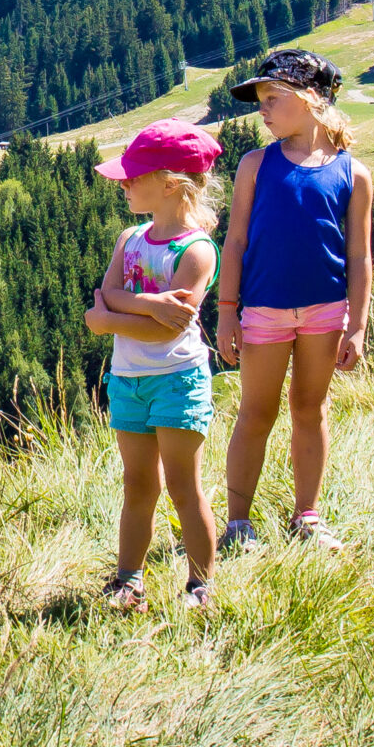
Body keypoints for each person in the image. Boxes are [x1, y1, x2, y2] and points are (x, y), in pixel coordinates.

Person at [214, 48, 373, 553]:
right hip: (263, 310)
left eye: (272, 98)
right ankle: (239, 523)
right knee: (255, 413)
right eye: (259, 100)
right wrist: (225, 313)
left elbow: (360, 257)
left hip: (326, 312)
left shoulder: (354, 173)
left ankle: (307, 517)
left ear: (310, 99)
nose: (261, 109)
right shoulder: (255, 165)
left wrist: (357, 325)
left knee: (311, 407)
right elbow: (234, 242)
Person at [85, 121, 224, 612]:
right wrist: (148, 303)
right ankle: (128, 581)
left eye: (131, 177)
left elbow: (165, 329)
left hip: (177, 380)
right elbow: (111, 295)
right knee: (138, 484)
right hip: (129, 379)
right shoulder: (131, 237)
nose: (123, 185)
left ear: (169, 184)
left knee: (185, 486)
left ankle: (201, 584)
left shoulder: (197, 250)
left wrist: (110, 321)